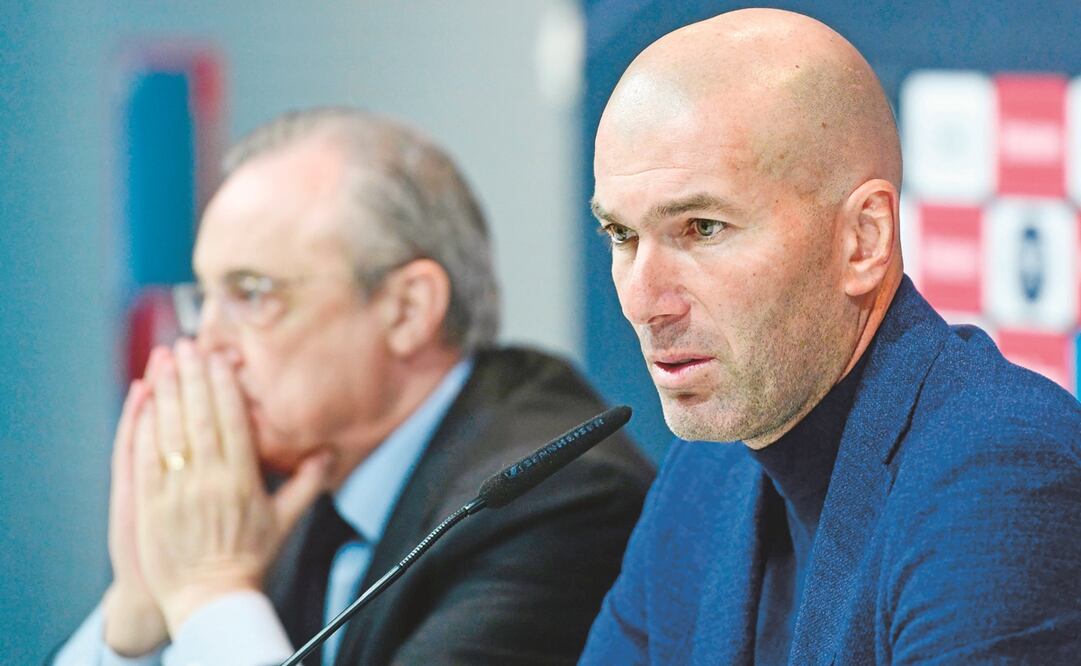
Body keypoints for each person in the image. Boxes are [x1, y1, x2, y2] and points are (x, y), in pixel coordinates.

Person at [53, 108, 653, 666]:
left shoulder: (554, 501)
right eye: (204, 300)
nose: (205, 346)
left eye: (252, 295)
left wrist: (211, 589)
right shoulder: (276, 478)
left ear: (406, 311)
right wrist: (135, 618)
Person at [580, 8, 1081, 665]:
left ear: (862, 240)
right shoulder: (703, 473)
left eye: (701, 228)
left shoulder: (998, 476)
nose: (643, 302)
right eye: (621, 235)